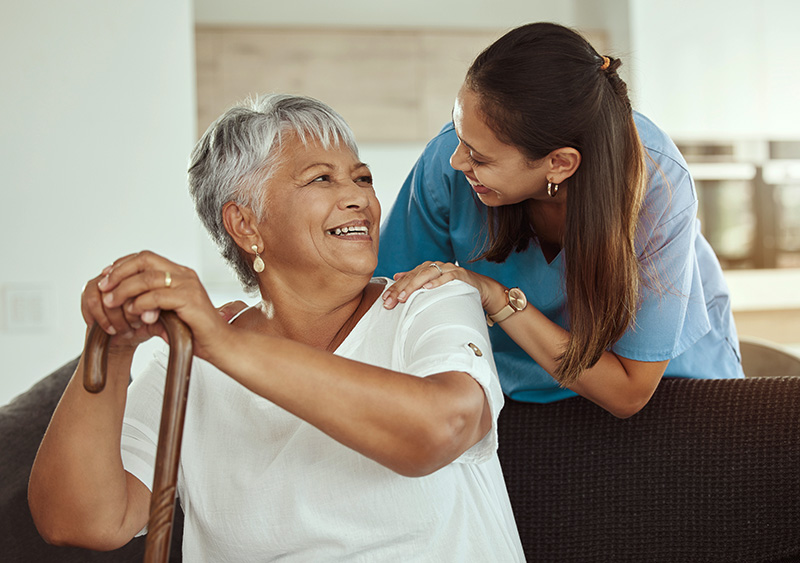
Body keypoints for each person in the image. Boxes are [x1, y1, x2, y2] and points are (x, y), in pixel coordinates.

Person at [28, 94, 524, 561]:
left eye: (362, 178)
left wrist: (223, 346)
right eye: (321, 180)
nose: (359, 199)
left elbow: (442, 429)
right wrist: (112, 351)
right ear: (245, 224)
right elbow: (82, 521)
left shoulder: (428, 300)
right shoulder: (186, 359)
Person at [378, 22, 744, 419]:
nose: (456, 160)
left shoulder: (657, 182)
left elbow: (628, 392)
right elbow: (390, 310)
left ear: (559, 163)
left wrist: (494, 296)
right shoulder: (447, 163)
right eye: (459, 136)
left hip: (665, 389)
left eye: (479, 158)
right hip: (508, 392)